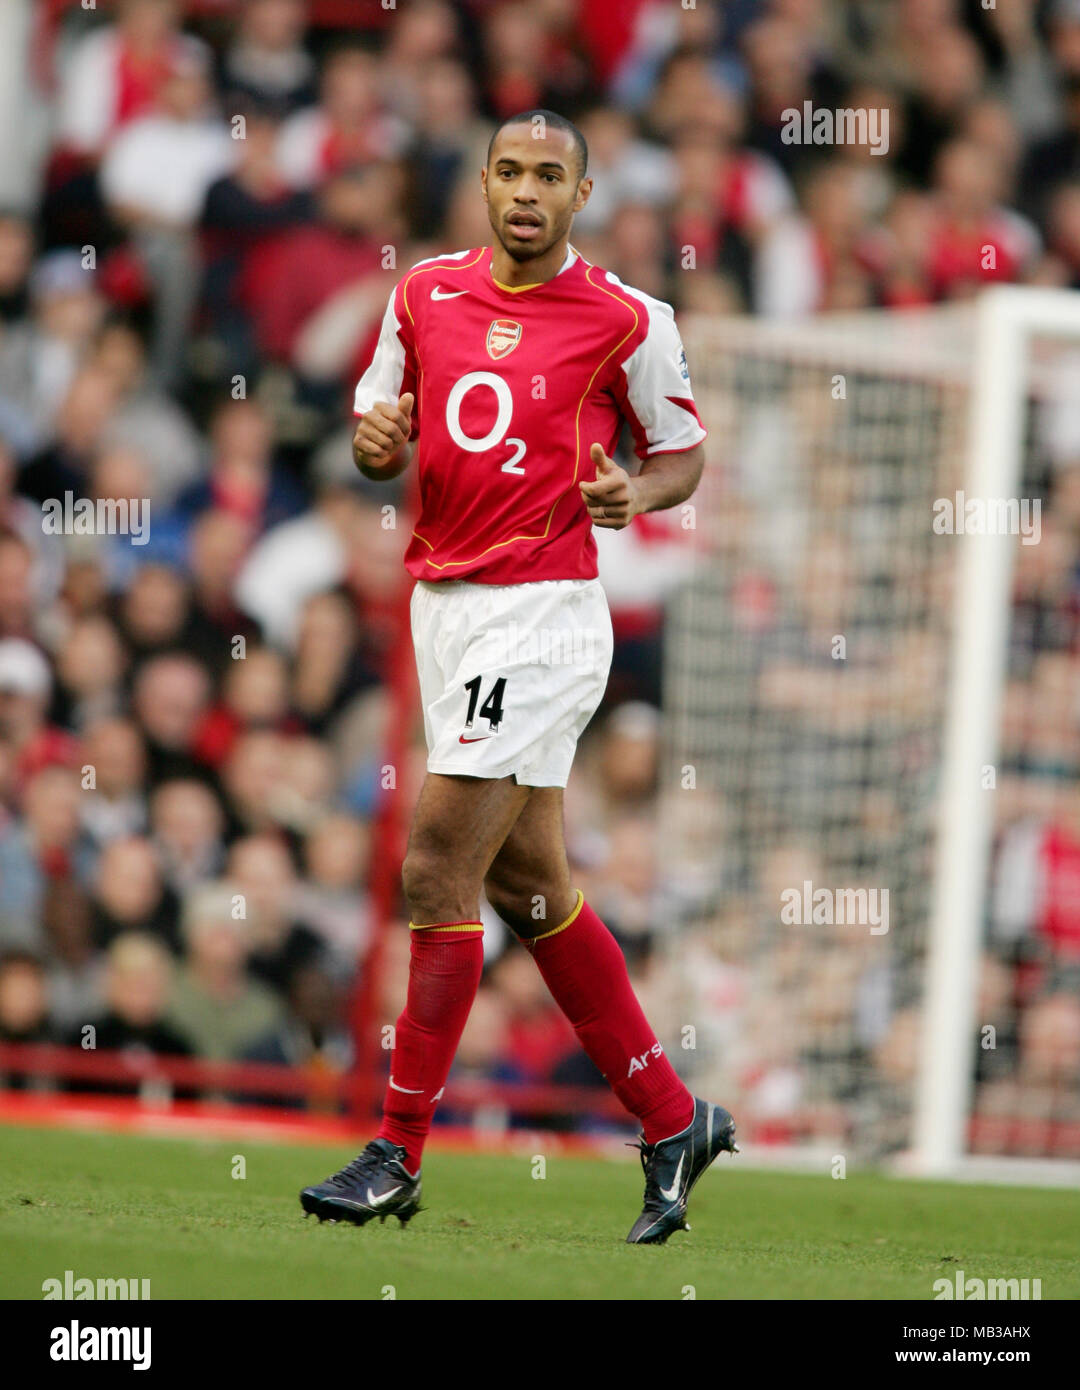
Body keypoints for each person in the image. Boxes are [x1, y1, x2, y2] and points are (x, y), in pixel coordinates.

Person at [299, 109, 736, 1245]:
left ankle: (395, 1149)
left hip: (543, 617)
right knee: (528, 883)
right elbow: (373, 422)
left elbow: (682, 451)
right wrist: (376, 443)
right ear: (482, 182)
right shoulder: (422, 295)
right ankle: (671, 1116)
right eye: (508, 171)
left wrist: (634, 496)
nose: (526, 191)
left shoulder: (632, 318)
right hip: (443, 609)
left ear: (581, 196)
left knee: (437, 859)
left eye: (550, 175)